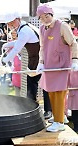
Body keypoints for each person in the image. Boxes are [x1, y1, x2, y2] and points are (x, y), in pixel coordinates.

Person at [0, 12, 52, 119]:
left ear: (18, 19)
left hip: (40, 60)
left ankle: (46, 110)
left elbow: (17, 49)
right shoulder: (25, 28)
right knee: (32, 84)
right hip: (35, 60)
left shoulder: (24, 30)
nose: (10, 25)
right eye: (9, 23)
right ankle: (34, 109)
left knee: (42, 85)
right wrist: (7, 44)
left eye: (12, 22)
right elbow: (19, 42)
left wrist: (4, 60)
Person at [36, 4, 78, 132]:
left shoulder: (62, 26)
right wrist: (41, 62)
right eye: (41, 17)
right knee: (51, 92)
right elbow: (42, 47)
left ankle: (59, 122)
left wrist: (75, 60)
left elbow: (73, 43)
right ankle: (58, 117)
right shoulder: (42, 29)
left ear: (52, 14)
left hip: (62, 66)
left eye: (47, 16)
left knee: (59, 93)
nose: (45, 19)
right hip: (49, 65)